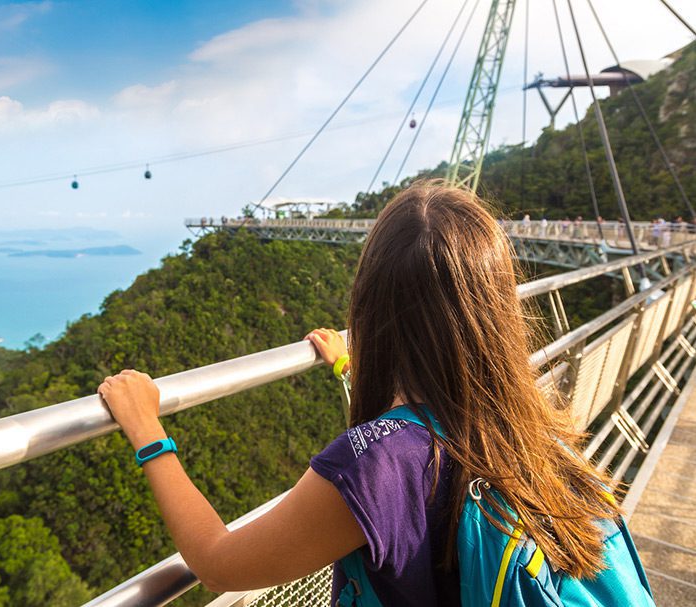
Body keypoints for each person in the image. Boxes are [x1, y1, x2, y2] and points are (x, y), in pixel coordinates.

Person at [98, 181, 625, 605]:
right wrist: (349, 368)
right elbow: (420, 423)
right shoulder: (532, 430)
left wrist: (147, 429)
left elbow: (217, 563)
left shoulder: (375, 466)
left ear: (370, 306)